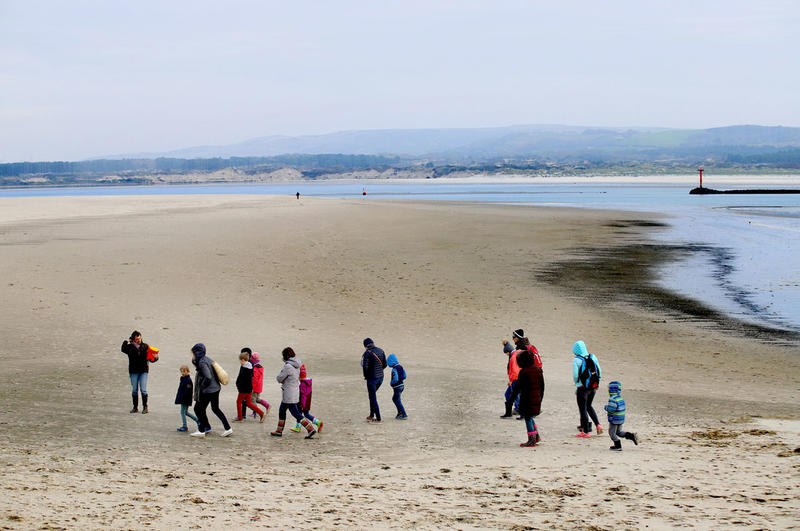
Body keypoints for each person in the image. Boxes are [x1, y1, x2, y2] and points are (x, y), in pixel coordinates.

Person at [270, 347, 317, 439]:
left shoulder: (288, 366)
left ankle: (310, 428)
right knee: (283, 410)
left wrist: (282, 378)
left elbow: (279, 378)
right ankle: (279, 430)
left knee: (295, 413)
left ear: (285, 356)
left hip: (288, 393)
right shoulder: (297, 365)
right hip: (295, 391)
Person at [190, 343, 233, 438]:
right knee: (215, 409)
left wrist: (202, 386)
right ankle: (227, 428)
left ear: (197, 352)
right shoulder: (208, 359)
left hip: (208, 390)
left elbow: (208, 377)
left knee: (198, 409)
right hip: (216, 388)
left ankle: (201, 430)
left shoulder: (201, 362)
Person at [510, 349, 545, 447]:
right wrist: (540, 397)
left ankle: (532, 440)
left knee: (528, 418)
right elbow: (542, 386)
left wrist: (511, 400)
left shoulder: (524, 372)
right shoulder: (538, 370)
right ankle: (536, 436)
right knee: (530, 417)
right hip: (537, 398)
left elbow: (517, 388)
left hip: (527, 399)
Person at [120, 330, 157, 414]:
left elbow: (152, 359)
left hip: (143, 370)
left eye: (140, 338)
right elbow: (122, 348)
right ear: (133, 339)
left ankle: (145, 407)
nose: (139, 340)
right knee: (134, 390)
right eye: (137, 339)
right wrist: (126, 341)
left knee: (143, 390)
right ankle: (135, 407)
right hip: (133, 371)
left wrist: (155, 358)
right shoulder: (129, 347)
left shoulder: (145, 346)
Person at [572, 340, 602, 438]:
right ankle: (598, 425)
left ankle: (586, 431)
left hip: (582, 388)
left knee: (583, 409)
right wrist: (597, 383)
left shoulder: (576, 360)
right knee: (589, 406)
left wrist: (577, 383)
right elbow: (599, 371)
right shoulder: (593, 357)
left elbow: (576, 375)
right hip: (592, 386)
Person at [603, 380, 639, 451]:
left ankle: (618, 445)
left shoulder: (612, 399)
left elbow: (612, 409)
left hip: (614, 419)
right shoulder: (620, 398)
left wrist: (606, 407)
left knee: (612, 433)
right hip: (621, 419)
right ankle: (631, 436)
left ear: (611, 390)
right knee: (619, 432)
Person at [290, 363, 323, 433]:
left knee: (300, 414)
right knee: (305, 414)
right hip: (308, 401)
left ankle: (299, 427)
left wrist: (302, 405)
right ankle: (317, 423)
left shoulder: (302, 384)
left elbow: (303, 395)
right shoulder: (308, 382)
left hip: (303, 402)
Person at [361, 338, 387, 423]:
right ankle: (371, 414)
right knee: (372, 396)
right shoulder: (381, 350)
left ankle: (378, 418)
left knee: (372, 397)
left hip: (372, 379)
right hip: (381, 378)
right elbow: (385, 365)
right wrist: (379, 370)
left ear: (365, 346)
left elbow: (365, 367)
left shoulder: (367, 353)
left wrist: (366, 376)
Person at [234, 352, 264, 423]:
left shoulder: (245, 368)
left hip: (244, 389)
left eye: (240, 360)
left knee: (238, 402)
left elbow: (243, 380)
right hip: (249, 389)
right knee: (249, 403)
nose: (240, 361)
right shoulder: (249, 366)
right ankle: (261, 413)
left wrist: (239, 386)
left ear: (243, 360)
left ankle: (240, 417)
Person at [175, 365, 199, 432]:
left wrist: (181, 397)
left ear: (188, 371)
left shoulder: (188, 380)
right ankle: (198, 421)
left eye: (184, 371)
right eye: (181, 372)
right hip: (184, 399)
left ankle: (184, 426)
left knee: (183, 412)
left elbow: (187, 391)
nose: (183, 373)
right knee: (185, 412)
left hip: (185, 399)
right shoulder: (183, 379)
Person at [247, 351, 271, 418]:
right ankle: (267, 405)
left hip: (255, 387)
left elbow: (254, 379)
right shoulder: (260, 367)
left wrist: (252, 388)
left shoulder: (255, 368)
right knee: (257, 399)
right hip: (259, 386)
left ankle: (256, 412)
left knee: (252, 400)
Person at [387, 353, 407, 419]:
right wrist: (401, 379)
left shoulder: (394, 369)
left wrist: (391, 383)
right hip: (402, 385)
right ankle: (399, 413)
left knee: (396, 400)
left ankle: (404, 414)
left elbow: (395, 378)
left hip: (397, 386)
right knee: (396, 399)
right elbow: (404, 376)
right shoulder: (401, 367)